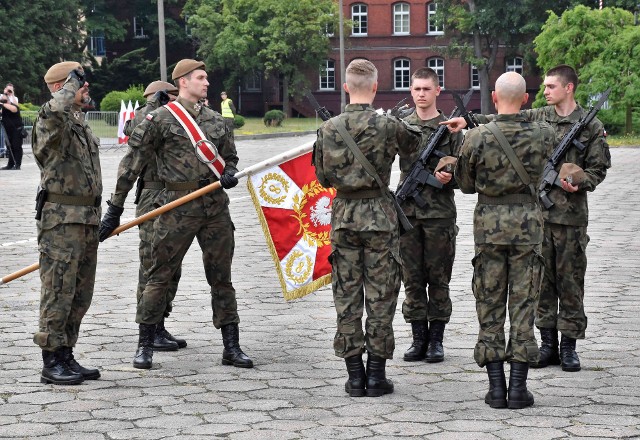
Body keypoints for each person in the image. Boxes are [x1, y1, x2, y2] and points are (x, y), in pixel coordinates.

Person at [444, 65, 611, 372]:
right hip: (535, 218)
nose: (544, 91)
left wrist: (580, 180)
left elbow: (598, 169)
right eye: (543, 87)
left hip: (570, 216)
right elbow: (501, 119)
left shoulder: (589, 125)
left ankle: (569, 345)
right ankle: (547, 343)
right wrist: (468, 121)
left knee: (571, 281)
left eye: (550, 86)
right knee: (539, 283)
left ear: (568, 88)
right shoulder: (539, 118)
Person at [99, 59, 252, 370]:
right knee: (159, 276)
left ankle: (231, 346)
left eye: (206, 78)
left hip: (213, 207)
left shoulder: (216, 120)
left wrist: (230, 174)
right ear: (183, 81)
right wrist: (114, 210)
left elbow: (230, 158)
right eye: (201, 78)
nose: (207, 83)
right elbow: (132, 165)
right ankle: (145, 345)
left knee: (221, 278)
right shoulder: (160, 119)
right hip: (174, 206)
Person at [314, 59, 423, 397]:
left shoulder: (329, 128)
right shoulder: (389, 125)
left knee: (346, 296)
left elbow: (321, 176)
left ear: (345, 87)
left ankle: (353, 377)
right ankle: (376, 376)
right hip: (379, 216)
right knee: (381, 295)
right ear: (375, 87)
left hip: (345, 215)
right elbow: (414, 144)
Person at [455, 72, 554, 409]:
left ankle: (496, 389)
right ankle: (518, 389)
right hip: (528, 225)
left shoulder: (477, 137)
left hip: (489, 227)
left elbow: (466, 185)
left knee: (490, 304)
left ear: (494, 99)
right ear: (526, 98)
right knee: (524, 304)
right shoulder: (544, 133)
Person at [99, 80, 188, 353]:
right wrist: (153, 104)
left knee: (172, 267)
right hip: (152, 198)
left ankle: (160, 323)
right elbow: (135, 128)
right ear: (159, 98)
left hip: (176, 197)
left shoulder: (175, 120)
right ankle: (149, 327)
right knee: (152, 265)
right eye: (172, 96)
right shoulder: (145, 117)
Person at [32, 62, 102, 385]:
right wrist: (71, 84)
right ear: (62, 87)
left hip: (86, 219)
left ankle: (66, 353)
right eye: (78, 83)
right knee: (58, 290)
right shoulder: (50, 120)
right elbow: (55, 110)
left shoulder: (80, 124)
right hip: (60, 222)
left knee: (79, 293)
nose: (85, 87)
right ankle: (50, 360)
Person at [398, 68, 463, 364]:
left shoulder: (450, 128)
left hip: (439, 215)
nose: (421, 94)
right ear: (411, 92)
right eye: (416, 89)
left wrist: (450, 172)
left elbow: (464, 168)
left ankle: (436, 340)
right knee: (411, 278)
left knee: (439, 278)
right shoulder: (402, 127)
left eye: (426, 89)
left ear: (437, 91)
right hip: (407, 215)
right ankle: (418, 339)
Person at [0, 83, 25, 170]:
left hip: (16, 129)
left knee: (16, 146)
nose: (3, 97)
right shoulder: (3, 106)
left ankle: (17, 165)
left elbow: (13, 109)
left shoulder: (13, 105)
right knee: (9, 147)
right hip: (8, 130)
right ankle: (10, 164)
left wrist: (11, 95)